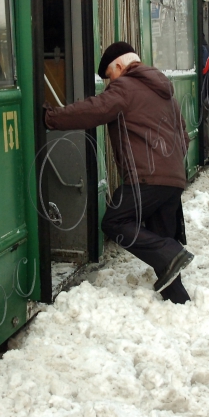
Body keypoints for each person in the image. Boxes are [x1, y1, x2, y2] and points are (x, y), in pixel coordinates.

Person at [44, 41, 193, 304]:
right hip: (173, 178)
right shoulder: (163, 90)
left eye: (109, 76)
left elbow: (94, 110)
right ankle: (178, 300)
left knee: (114, 221)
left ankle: (171, 252)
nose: (108, 83)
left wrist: (51, 118)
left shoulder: (125, 86)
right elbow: (184, 136)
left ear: (119, 66)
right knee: (159, 237)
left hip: (146, 177)